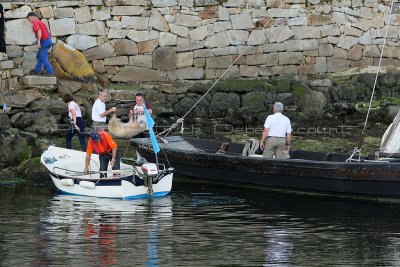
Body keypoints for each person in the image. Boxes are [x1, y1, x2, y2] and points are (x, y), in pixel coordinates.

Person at [27, 11, 54, 76]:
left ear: (31, 17)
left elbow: (39, 31)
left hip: (44, 41)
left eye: (28, 19)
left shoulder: (36, 22)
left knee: (43, 56)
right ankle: (37, 70)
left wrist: (39, 41)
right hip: (47, 40)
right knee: (39, 56)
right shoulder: (40, 22)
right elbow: (46, 30)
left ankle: (50, 72)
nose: (28, 20)